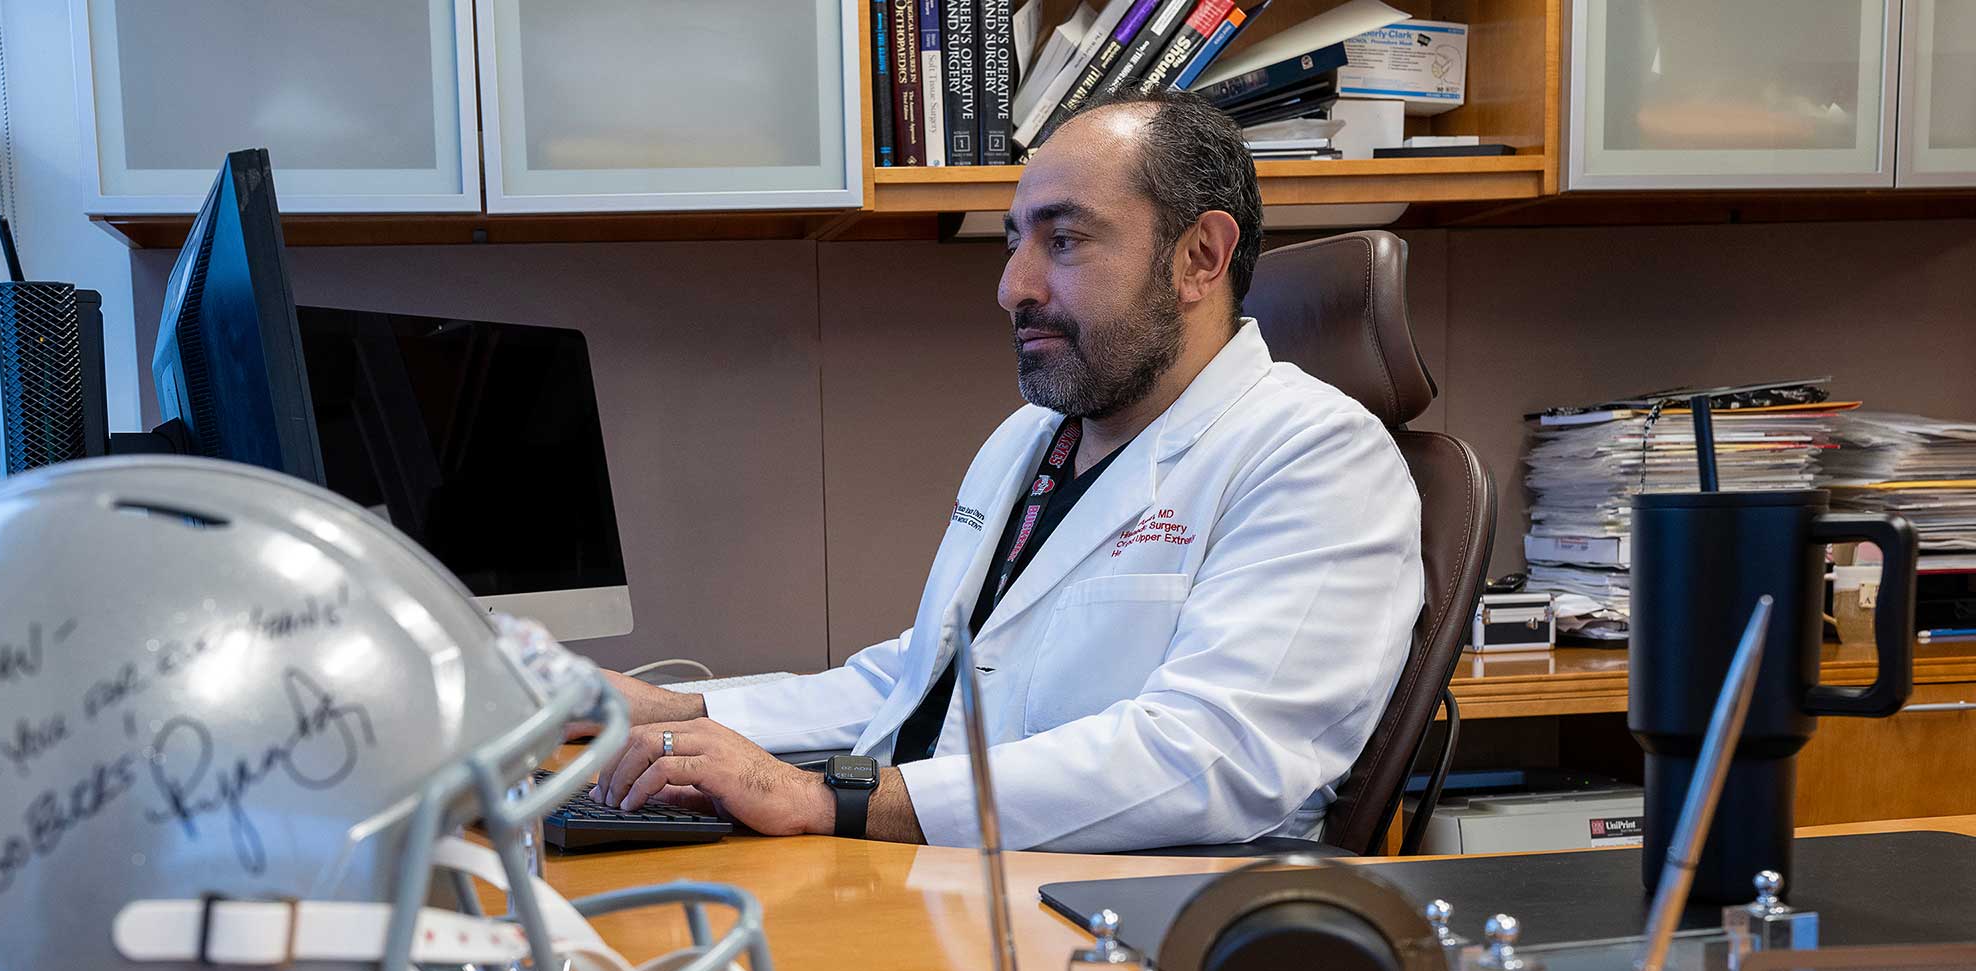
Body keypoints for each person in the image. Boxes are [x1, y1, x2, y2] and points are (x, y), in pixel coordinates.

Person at [588, 90, 1423, 852]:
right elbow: (930, 674)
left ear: (1200, 256)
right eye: (1015, 240)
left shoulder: (1317, 459)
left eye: (1063, 240)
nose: (1012, 286)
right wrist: (681, 712)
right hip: (941, 872)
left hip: (1125, 915)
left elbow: (1216, 756)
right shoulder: (1036, 437)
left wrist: (827, 798)